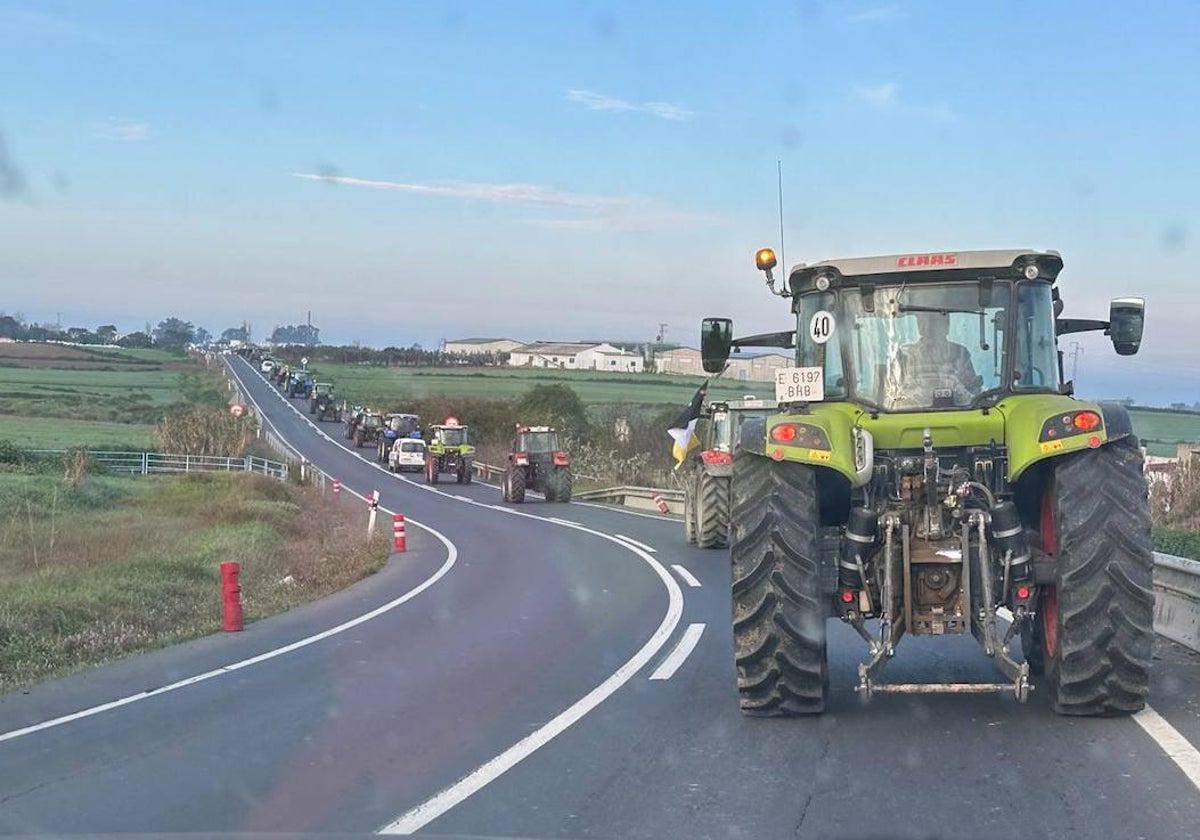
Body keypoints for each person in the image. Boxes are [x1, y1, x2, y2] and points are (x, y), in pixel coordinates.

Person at [890, 312, 983, 407]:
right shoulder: (904, 354)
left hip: (957, 412)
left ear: (947, 324)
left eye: (935, 321)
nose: (929, 327)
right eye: (923, 321)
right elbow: (893, 393)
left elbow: (972, 392)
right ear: (919, 325)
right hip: (909, 415)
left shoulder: (960, 353)